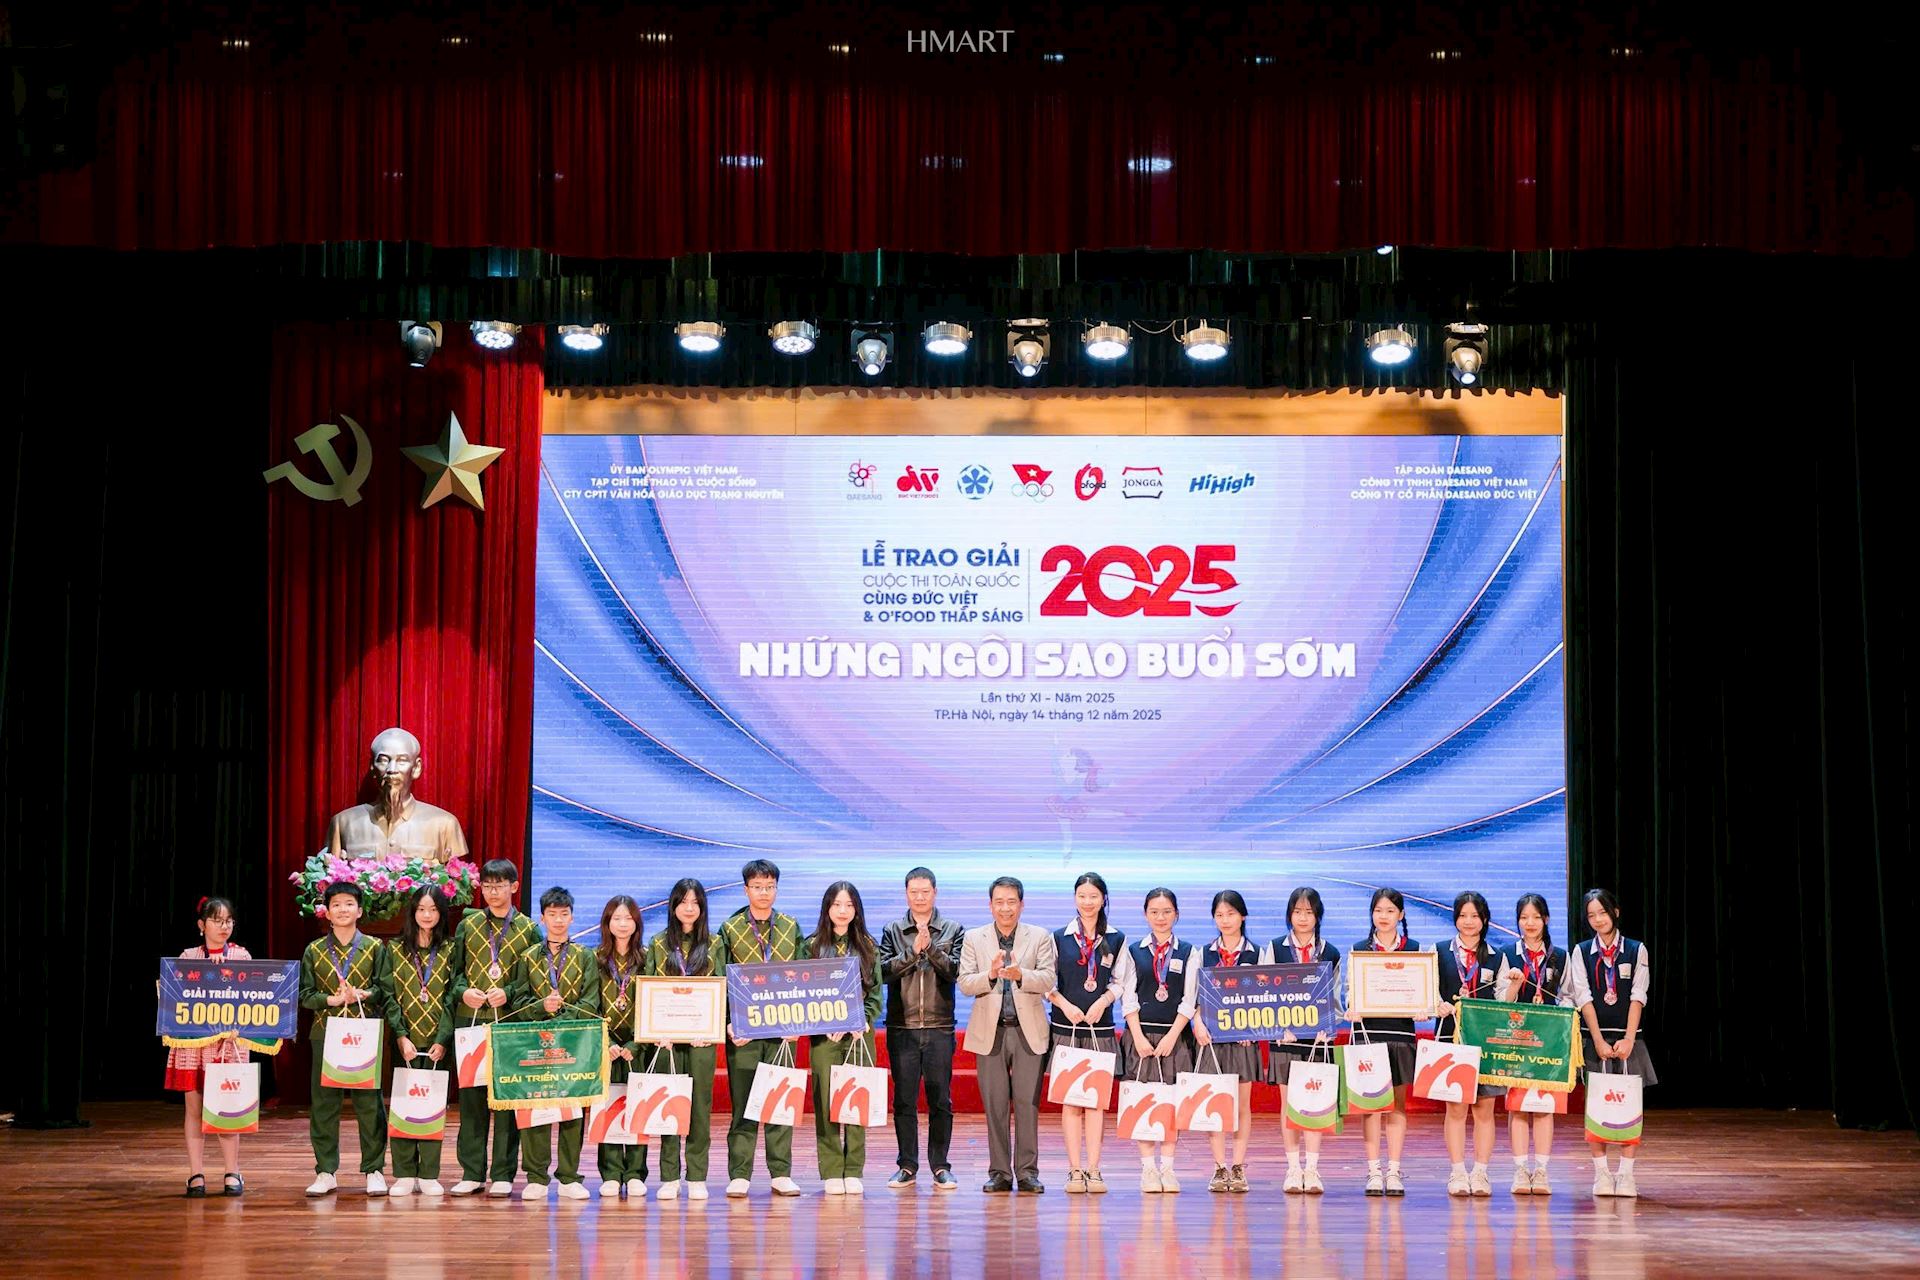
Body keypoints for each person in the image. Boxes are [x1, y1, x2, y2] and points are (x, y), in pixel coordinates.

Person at [959, 876, 1058, 1194]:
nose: (1005, 908)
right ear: (990, 905)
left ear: (1021, 905)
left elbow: (1048, 979)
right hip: (990, 1032)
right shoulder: (974, 938)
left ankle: (1027, 1172)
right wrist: (989, 975)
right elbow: (965, 983)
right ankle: (1000, 1172)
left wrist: (1020, 975)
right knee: (995, 1106)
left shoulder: (1039, 936)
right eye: (999, 902)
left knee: (1028, 1104)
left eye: (1011, 902)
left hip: (1028, 1032)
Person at [449, 858, 539, 1196]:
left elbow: (533, 980)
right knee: (471, 1102)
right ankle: (471, 1172)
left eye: (499, 885)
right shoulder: (469, 925)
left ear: (514, 887)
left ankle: (503, 1173)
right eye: (487, 886)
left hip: (509, 1023)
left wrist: (510, 992)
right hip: (471, 1022)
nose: (492, 892)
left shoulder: (529, 929)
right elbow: (454, 974)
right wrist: (463, 992)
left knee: (506, 1101)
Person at [717, 859, 805, 1198]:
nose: (763, 892)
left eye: (769, 886)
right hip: (744, 1031)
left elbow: (803, 976)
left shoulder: (790, 926)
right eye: (757, 887)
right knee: (744, 1104)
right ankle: (740, 1173)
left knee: (780, 1102)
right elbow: (722, 979)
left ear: (777, 889)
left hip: (783, 1031)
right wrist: (728, 1022)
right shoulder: (730, 928)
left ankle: (780, 1172)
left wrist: (800, 1020)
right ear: (746, 890)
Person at [875, 866, 965, 1191]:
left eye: (925, 892)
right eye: (914, 892)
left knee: (941, 1099)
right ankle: (907, 1165)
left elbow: (956, 972)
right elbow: (883, 972)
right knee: (904, 1100)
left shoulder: (953, 929)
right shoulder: (893, 930)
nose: (920, 897)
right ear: (906, 894)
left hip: (940, 1026)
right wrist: (912, 953)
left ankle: (940, 1166)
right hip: (903, 1027)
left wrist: (932, 949)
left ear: (935, 893)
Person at [299, 880, 390, 1197]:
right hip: (326, 1032)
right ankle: (325, 1171)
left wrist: (364, 994)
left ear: (360, 910)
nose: (342, 909)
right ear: (326, 912)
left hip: (363, 1033)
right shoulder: (314, 950)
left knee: (369, 1104)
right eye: (335, 904)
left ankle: (374, 1170)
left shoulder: (375, 947)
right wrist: (331, 1000)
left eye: (349, 904)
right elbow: (305, 995)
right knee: (325, 1104)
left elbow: (384, 990)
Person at [513, 885, 600, 1201]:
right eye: (553, 914)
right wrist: (541, 1007)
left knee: (571, 1110)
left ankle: (569, 1177)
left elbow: (591, 1001)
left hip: (572, 1043)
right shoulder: (528, 957)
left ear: (572, 917)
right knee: (535, 1106)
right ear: (542, 918)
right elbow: (518, 1001)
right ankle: (536, 1177)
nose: (559, 920)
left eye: (564, 914)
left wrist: (562, 1016)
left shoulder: (585, 956)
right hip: (534, 1042)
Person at [162, 896, 253, 1198]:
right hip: (194, 1045)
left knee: (228, 1108)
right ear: (202, 925)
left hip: (228, 1044)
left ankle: (232, 1171)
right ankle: (195, 1174)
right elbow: (173, 997)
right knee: (194, 1108)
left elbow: (255, 997)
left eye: (228, 921)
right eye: (217, 920)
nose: (224, 926)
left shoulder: (241, 956)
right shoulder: (188, 956)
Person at [1570, 888, 1656, 1199]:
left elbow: (1638, 996)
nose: (1598, 920)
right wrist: (1596, 1039)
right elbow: (1583, 997)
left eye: (1602, 913)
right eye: (1591, 915)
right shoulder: (1581, 952)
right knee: (1597, 1108)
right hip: (1595, 1040)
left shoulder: (1636, 949)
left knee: (1630, 1108)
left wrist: (1629, 1038)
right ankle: (1602, 1174)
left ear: (1615, 912)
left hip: (1629, 1040)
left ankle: (1627, 1175)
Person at [1046, 872, 1126, 1194]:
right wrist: (1064, 1004)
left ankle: (1094, 1169)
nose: (1088, 902)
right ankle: (1074, 1170)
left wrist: (1103, 1001)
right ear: (1074, 898)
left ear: (1103, 899)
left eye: (1094, 896)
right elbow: (1046, 982)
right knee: (1070, 1103)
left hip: (1100, 1029)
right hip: (1066, 1029)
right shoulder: (1059, 937)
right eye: (1082, 896)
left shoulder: (1117, 938)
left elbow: (1120, 982)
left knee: (1095, 1104)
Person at [644, 878, 720, 1201]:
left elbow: (722, 989)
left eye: (695, 902)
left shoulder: (715, 943)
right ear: (673, 906)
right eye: (683, 902)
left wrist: (713, 1028)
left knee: (700, 1107)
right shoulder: (658, 943)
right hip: (667, 1041)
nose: (689, 908)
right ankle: (670, 1176)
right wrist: (654, 1030)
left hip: (703, 1040)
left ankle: (697, 1176)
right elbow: (647, 988)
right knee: (669, 1104)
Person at [807, 882, 885, 1194]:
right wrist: (824, 1022)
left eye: (849, 905)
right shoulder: (811, 946)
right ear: (827, 908)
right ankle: (830, 1170)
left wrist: (861, 1019)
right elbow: (803, 993)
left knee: (856, 1100)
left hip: (858, 1036)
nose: (843, 911)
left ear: (857, 910)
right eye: (837, 904)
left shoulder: (868, 945)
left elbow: (875, 994)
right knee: (826, 1102)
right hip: (824, 1037)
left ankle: (853, 1169)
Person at [381, 885, 456, 1197]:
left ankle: (428, 1173)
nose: (427, 915)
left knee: (432, 1107)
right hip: (405, 1042)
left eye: (433, 909)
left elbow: (452, 998)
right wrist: (400, 1035)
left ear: (441, 914)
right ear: (413, 912)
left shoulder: (451, 949)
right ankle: (403, 1173)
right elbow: (388, 995)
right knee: (403, 1104)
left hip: (438, 1042)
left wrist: (443, 1039)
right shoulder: (395, 949)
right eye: (421, 909)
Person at [1122, 888, 1198, 1194]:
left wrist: (1172, 1036)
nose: (1160, 917)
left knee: (1170, 1105)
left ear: (1176, 914)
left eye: (1167, 912)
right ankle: (1148, 1169)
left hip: (1174, 1038)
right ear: (1145, 914)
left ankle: (1167, 1168)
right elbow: (1128, 997)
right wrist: (1138, 1037)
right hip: (1140, 1037)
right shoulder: (1134, 951)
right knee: (1143, 1102)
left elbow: (1189, 999)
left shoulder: (1189, 952)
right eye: (1154, 911)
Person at [1496, 892, 1571, 1195]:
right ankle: (1519, 1170)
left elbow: (1568, 996)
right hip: (1516, 1040)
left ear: (1546, 920)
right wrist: (1514, 986)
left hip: (1549, 1041)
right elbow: (1502, 1001)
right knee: (1517, 1107)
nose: (1530, 923)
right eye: (1524, 918)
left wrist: (1561, 1012)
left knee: (1544, 1106)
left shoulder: (1560, 956)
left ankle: (1541, 1171)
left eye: (1536, 917)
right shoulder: (1507, 954)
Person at [1191, 890, 1264, 1194]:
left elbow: (1265, 998)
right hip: (1212, 1039)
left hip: (1244, 1040)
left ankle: (1238, 1166)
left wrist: (1253, 1028)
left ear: (1242, 916)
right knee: (1216, 1103)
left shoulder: (1258, 954)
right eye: (1219, 915)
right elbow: (1194, 997)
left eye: (1231, 914)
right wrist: (1197, 1023)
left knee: (1242, 1106)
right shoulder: (1203, 953)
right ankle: (1220, 1167)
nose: (1225, 920)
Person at [1267, 886, 1339, 1194]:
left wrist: (1329, 1025)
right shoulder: (1275, 948)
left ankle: (1312, 1168)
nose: (1303, 918)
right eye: (1297, 912)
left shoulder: (1331, 952)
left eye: (1309, 912)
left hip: (1318, 1039)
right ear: (1289, 915)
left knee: (1314, 1104)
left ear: (1318, 916)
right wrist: (1277, 1027)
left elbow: (1335, 997)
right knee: (1289, 1106)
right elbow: (1266, 992)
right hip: (1284, 1038)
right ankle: (1293, 1168)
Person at [1352, 887, 1419, 1197]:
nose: (1384, 916)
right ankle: (1373, 1171)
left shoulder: (1414, 950)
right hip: (1369, 1034)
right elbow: (1351, 992)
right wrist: (1351, 1006)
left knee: (1396, 1104)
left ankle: (1393, 1170)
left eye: (1390, 911)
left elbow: (1422, 990)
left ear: (1400, 915)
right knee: (1371, 1105)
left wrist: (1424, 1006)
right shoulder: (1359, 949)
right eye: (1378, 910)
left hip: (1401, 1033)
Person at [1435, 891, 1502, 1199]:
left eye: (1475, 916)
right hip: (1450, 1038)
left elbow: (1504, 1000)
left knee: (1485, 1110)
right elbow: (1428, 991)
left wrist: (1514, 985)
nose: (1468, 921)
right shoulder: (1438, 952)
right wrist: (1437, 1004)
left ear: (1484, 920)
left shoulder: (1498, 956)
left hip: (1486, 1041)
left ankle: (1481, 1173)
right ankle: (1458, 1172)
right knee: (1456, 1109)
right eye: (1463, 915)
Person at [324, 727, 468, 865]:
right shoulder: (343, 823)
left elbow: (456, 878)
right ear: (372, 766)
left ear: (416, 768)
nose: (392, 770)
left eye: (402, 760)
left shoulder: (444, 824)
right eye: (383, 760)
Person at [596, 894, 648, 1200]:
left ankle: (636, 1172)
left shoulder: (647, 959)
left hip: (636, 1045)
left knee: (637, 1106)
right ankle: (612, 1173)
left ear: (637, 923)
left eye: (629, 918)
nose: (623, 924)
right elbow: (589, 1004)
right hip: (606, 1046)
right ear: (607, 922)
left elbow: (654, 1005)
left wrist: (634, 1044)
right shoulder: (595, 960)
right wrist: (607, 1043)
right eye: (617, 918)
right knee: (609, 1106)